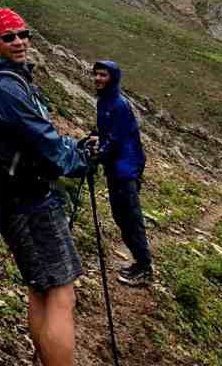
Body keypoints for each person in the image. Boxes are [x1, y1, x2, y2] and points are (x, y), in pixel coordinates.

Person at [0, 8, 89, 366]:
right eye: (9, 37)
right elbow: (47, 145)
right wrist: (80, 158)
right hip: (31, 201)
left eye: (23, 34)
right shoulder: (5, 86)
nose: (19, 42)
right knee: (62, 296)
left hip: (14, 199)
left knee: (40, 290)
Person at [90, 60, 152, 286]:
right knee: (121, 217)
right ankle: (139, 263)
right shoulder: (105, 102)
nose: (98, 78)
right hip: (117, 167)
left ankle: (145, 268)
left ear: (113, 78)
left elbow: (116, 139)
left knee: (130, 218)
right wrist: (98, 138)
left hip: (125, 169)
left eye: (103, 75)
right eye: (96, 74)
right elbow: (109, 133)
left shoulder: (117, 104)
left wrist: (99, 155)